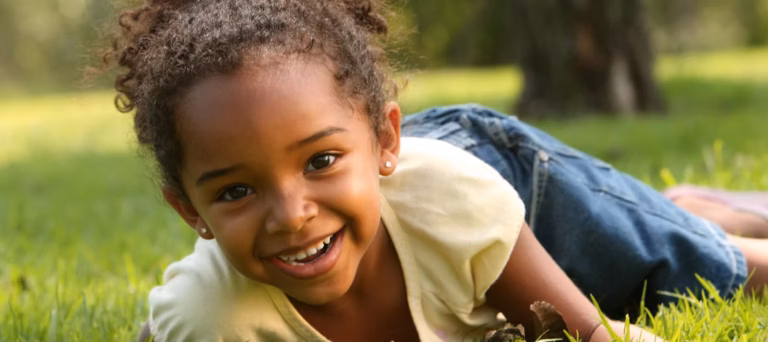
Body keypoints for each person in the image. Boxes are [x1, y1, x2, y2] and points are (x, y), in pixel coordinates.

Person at [102, 0, 768, 341]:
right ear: (191, 212)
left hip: (503, 187)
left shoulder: (458, 199)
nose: (290, 213)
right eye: (238, 190)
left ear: (384, 137)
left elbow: (588, 335)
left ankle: (704, 218)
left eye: (319, 160)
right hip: (423, 221)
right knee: (651, 225)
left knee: (715, 271)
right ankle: (683, 202)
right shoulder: (211, 318)